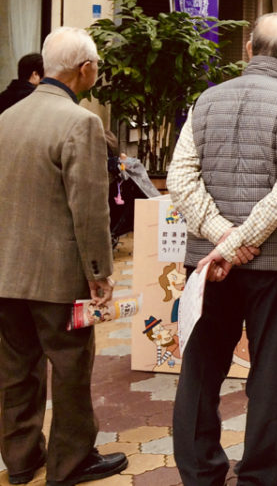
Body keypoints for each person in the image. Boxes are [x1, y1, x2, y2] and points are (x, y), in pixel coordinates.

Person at [168, 13, 277, 486]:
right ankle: (258, 475)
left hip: (208, 263)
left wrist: (219, 239)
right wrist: (236, 244)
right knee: (272, 371)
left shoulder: (205, 100)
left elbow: (179, 178)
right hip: (272, 263)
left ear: (248, 48)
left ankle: (199, 472)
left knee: (201, 367)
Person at [0, 29, 128, 486]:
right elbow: (89, 207)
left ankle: (19, 460)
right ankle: (70, 462)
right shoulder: (80, 122)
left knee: (16, 369)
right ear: (84, 69)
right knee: (71, 366)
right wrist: (100, 273)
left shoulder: (7, 116)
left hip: (5, 271)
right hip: (58, 276)